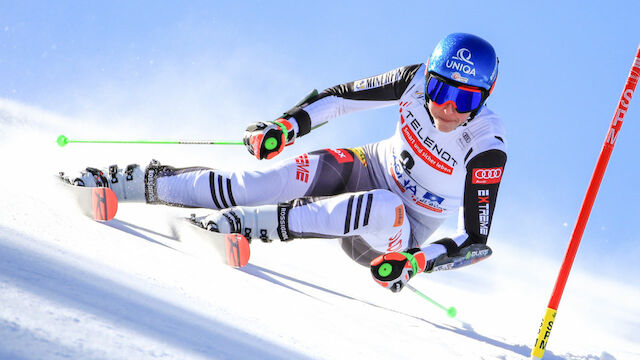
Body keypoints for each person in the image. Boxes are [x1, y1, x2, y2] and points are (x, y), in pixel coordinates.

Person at [69, 33, 506, 293]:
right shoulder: (413, 80)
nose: (448, 108)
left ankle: (239, 225)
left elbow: (475, 240)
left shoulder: (486, 146)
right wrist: (285, 126)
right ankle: (130, 183)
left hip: (395, 235)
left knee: (381, 207)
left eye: (465, 98)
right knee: (267, 180)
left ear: (484, 96)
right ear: (429, 77)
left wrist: (416, 263)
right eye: (441, 91)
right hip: (367, 165)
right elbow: (338, 98)